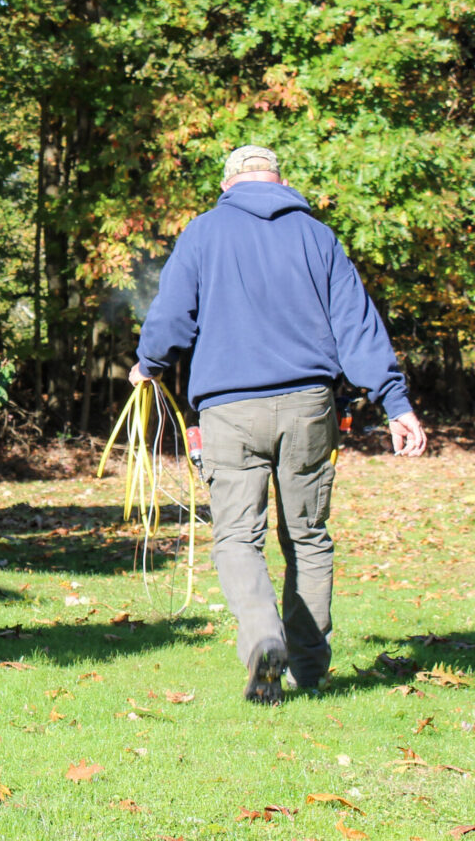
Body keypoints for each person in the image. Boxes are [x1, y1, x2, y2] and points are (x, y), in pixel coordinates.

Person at [129, 145, 426, 705]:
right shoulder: (318, 237)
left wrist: (149, 363)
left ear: (227, 185)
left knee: (238, 536)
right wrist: (395, 401)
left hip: (228, 410)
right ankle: (309, 671)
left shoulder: (203, 232)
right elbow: (357, 324)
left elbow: (171, 315)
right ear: (280, 180)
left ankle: (264, 639)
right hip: (307, 405)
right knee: (308, 538)